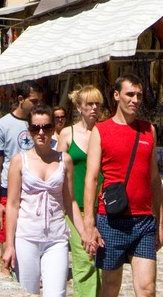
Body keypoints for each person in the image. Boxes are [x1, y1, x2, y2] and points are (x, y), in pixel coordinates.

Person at [83, 75, 163, 297]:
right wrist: (89, 223)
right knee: (110, 287)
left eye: (139, 95)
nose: (135, 100)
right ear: (117, 95)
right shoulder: (101, 130)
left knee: (147, 289)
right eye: (130, 94)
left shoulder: (149, 130)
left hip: (144, 221)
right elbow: (91, 178)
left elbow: (155, 178)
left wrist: (160, 222)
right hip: (111, 220)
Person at [2, 107, 87, 297]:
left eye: (46, 127)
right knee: (28, 292)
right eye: (35, 128)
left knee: (57, 293)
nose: (41, 133)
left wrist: (84, 234)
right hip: (27, 237)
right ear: (29, 130)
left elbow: (70, 202)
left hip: (56, 238)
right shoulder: (19, 161)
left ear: (53, 128)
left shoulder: (64, 160)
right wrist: (9, 245)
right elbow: (13, 204)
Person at [54, 84, 104, 297]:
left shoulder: (105, 132)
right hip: (76, 207)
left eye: (97, 104)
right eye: (89, 104)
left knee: (103, 264)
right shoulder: (67, 134)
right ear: (79, 107)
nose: (94, 108)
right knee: (85, 260)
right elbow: (57, 170)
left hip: (102, 207)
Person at [0, 81, 44, 257]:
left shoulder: (39, 126)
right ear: (21, 99)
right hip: (8, 189)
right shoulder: (2, 126)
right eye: (34, 101)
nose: (37, 106)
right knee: (6, 236)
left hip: (32, 189)